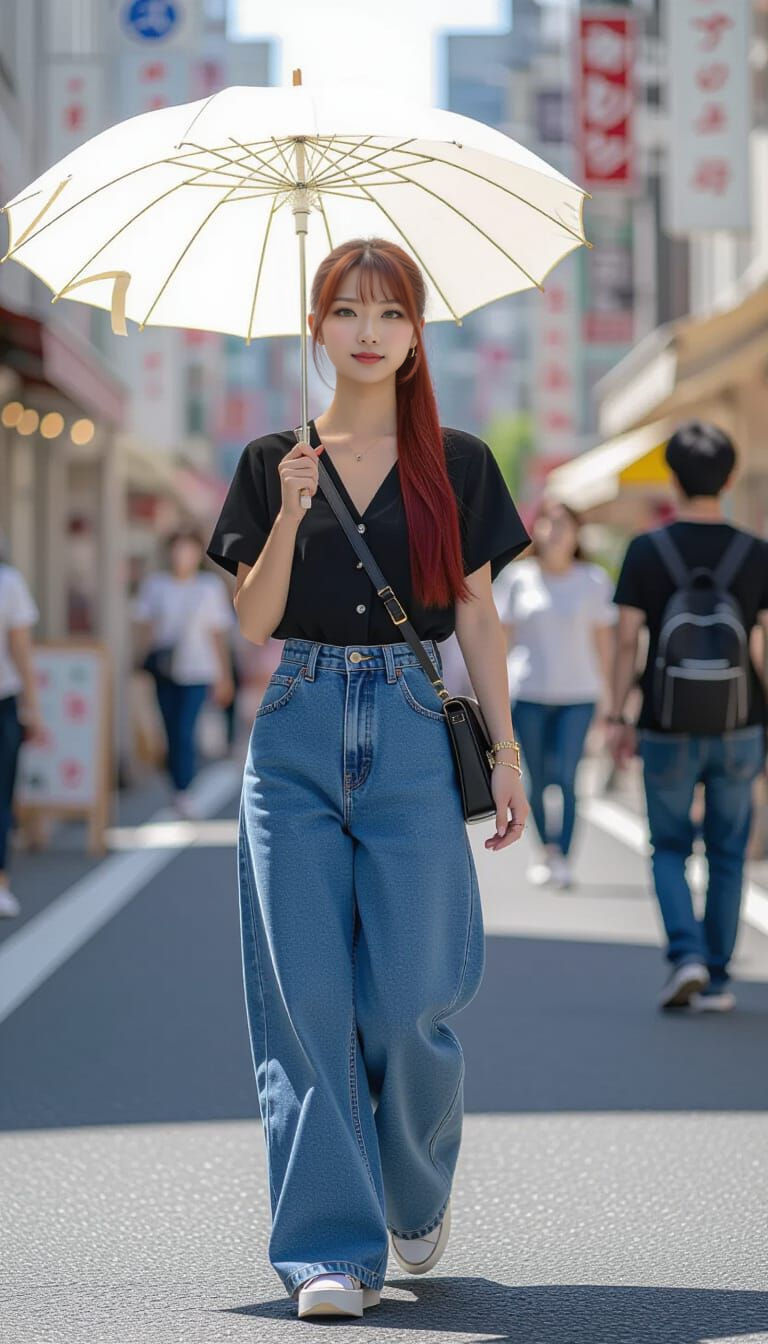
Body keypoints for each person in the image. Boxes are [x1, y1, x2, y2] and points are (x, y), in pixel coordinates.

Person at [206, 237, 531, 1320]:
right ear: (316, 328)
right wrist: (293, 511)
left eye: (390, 314)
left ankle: (413, 1181)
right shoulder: (269, 463)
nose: (368, 331)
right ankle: (329, 1255)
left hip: (407, 717)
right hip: (294, 724)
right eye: (347, 311)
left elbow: (477, 613)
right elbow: (252, 624)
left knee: (410, 997)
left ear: (415, 335)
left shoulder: (460, 463)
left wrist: (509, 749)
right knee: (304, 1007)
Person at [609, 421, 768, 1014]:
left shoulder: (647, 550)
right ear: (729, 479)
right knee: (728, 849)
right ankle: (721, 979)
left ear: (672, 479)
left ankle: (686, 957)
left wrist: (618, 713)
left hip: (665, 720)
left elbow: (628, 640)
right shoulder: (755, 552)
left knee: (669, 845)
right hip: (740, 721)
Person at [494, 498, 616, 889]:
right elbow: (501, 642)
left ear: (578, 532)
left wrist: (612, 703)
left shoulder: (593, 581)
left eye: (565, 523)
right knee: (536, 777)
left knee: (565, 775)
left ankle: (562, 854)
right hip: (527, 692)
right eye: (548, 522)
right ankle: (544, 851)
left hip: (579, 696)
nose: (556, 531)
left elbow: (605, 645)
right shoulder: (518, 579)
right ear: (537, 530)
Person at [133, 527, 235, 818]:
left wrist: (224, 675)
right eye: (177, 549)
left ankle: (184, 789)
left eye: (188, 549)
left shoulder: (208, 586)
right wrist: (141, 661)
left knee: (185, 728)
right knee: (169, 728)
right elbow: (146, 626)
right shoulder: (156, 584)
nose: (182, 556)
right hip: (164, 669)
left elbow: (218, 634)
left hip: (199, 668)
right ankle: (178, 786)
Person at [0, 537, 45, 918]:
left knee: (1, 792)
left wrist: (31, 707)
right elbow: (20, 651)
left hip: (4, 701)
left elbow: (20, 650)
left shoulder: (9, 583)